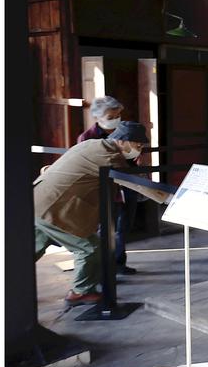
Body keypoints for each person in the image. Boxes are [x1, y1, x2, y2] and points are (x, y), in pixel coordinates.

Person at [34, 122, 150, 306]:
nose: (140, 149)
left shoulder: (92, 144)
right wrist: (171, 197)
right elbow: (137, 184)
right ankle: (80, 292)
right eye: (138, 145)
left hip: (39, 200)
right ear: (122, 141)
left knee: (31, 248)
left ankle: (8, 283)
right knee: (90, 248)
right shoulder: (110, 157)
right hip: (56, 208)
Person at [78, 96, 140, 275]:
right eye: (111, 116)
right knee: (105, 230)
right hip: (104, 190)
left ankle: (119, 263)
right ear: (97, 117)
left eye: (118, 115)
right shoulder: (87, 138)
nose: (117, 119)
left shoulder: (124, 131)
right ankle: (103, 269)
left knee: (124, 227)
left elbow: (133, 155)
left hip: (127, 185)